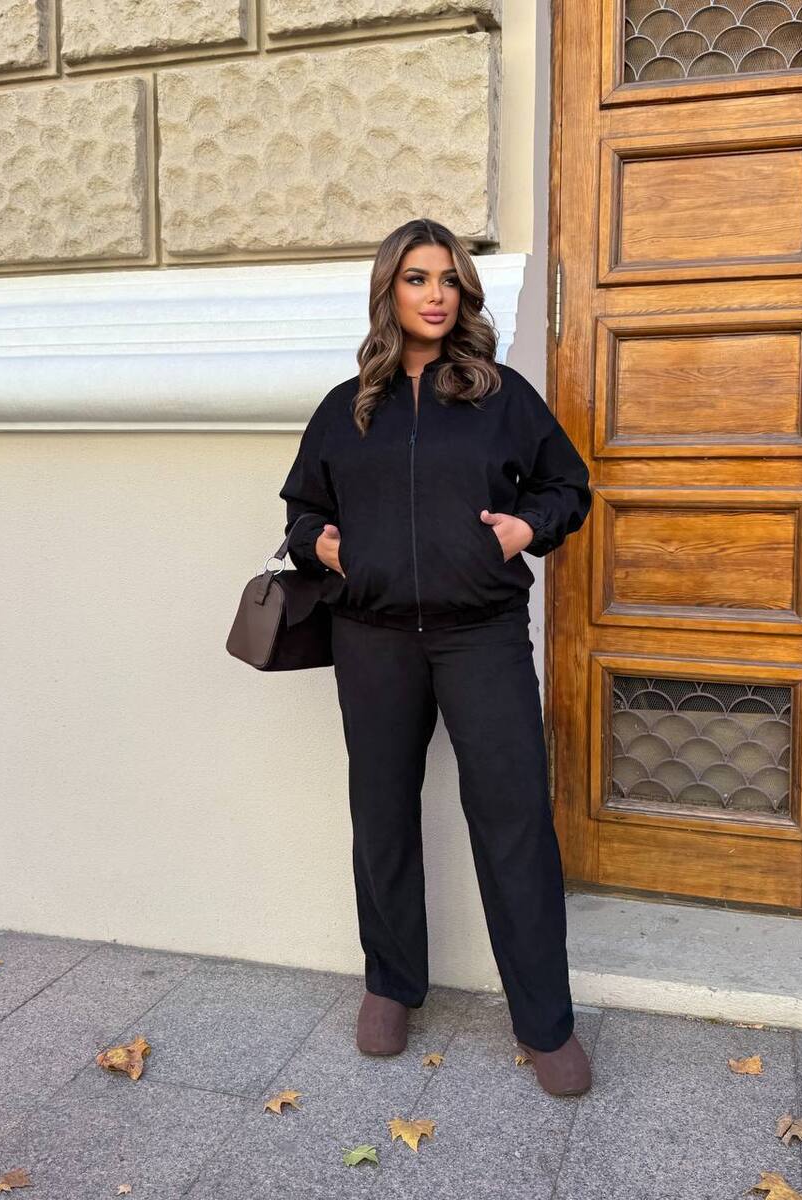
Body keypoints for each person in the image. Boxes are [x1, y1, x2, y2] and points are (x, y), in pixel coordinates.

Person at [279, 218, 593, 1097]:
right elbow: (302, 511)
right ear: (390, 290)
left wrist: (526, 528)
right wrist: (322, 545)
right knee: (380, 810)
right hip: (372, 638)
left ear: (465, 293)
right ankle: (391, 984)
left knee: (514, 816)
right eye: (417, 278)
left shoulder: (502, 397)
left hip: (480, 634)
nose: (435, 295)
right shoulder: (347, 407)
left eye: (449, 279)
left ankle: (545, 1021)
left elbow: (568, 487)